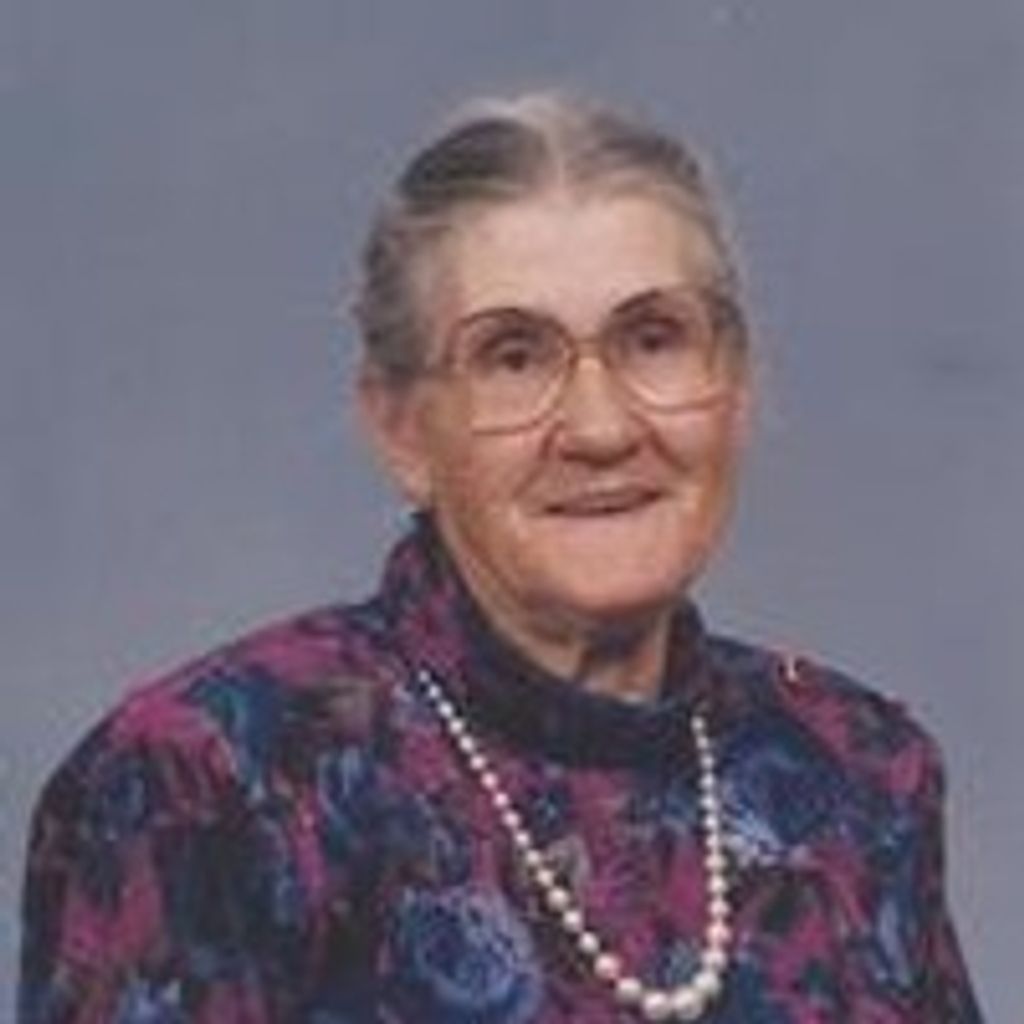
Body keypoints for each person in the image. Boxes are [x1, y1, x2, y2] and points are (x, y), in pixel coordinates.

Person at [17, 92, 982, 1023]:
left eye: (654, 340)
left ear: (733, 383)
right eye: (515, 357)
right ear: (401, 428)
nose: (601, 428)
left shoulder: (859, 768)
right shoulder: (214, 774)